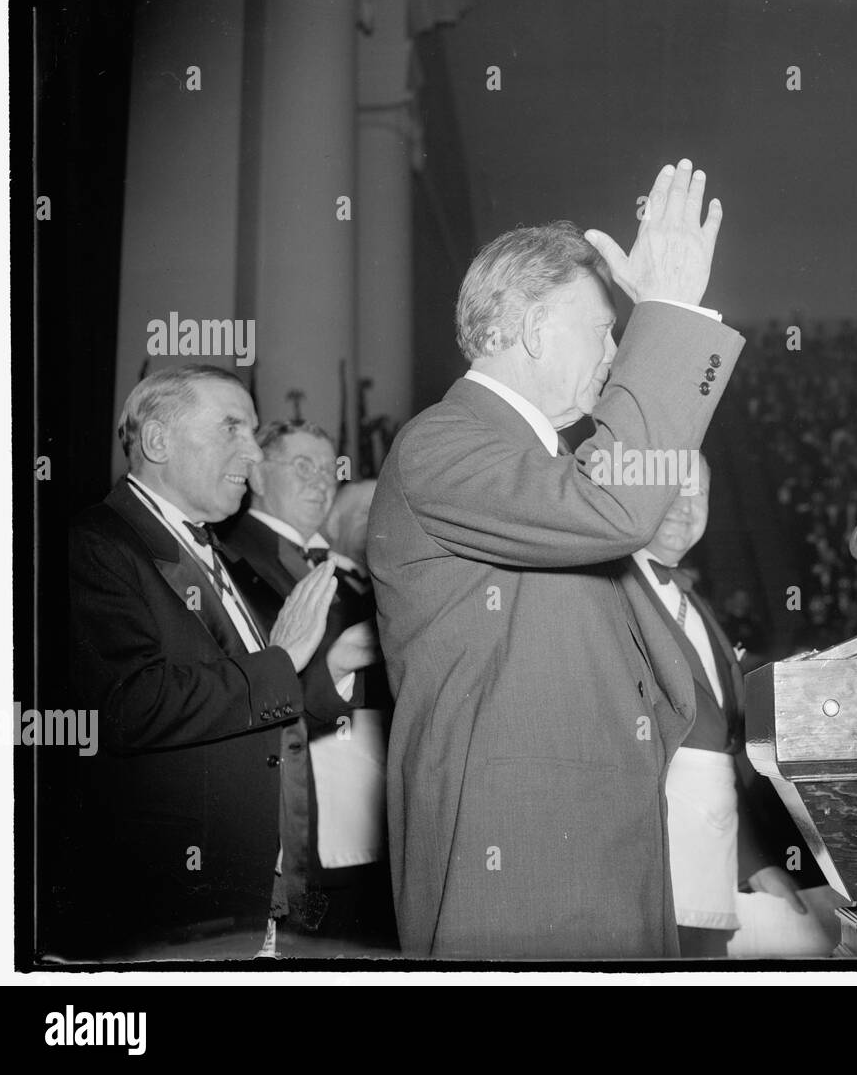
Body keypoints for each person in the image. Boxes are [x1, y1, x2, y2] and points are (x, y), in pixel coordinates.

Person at [369, 158, 741, 958]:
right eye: (604, 329)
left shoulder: (538, 467)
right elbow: (612, 501)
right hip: (524, 858)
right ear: (535, 330)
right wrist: (670, 311)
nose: (616, 352)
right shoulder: (442, 443)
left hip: (597, 850)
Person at [59, 364, 339, 960]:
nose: (252, 455)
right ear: (157, 441)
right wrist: (281, 657)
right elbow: (128, 705)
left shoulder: (209, 547)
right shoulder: (96, 543)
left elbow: (251, 698)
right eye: (232, 429)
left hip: (244, 889)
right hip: (171, 906)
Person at [624, 455, 825, 957]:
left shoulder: (694, 602)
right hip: (645, 880)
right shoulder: (607, 593)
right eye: (670, 489)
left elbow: (716, 758)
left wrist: (751, 865)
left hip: (710, 872)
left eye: (697, 492)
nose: (684, 506)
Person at [217, 422, 393, 951]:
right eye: (302, 466)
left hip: (357, 804)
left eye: (328, 467)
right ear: (258, 473)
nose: (322, 480)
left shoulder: (342, 567)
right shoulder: (228, 555)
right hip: (288, 808)